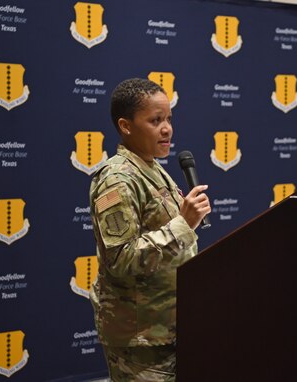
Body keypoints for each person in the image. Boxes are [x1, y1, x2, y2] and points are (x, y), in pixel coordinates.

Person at [89, 78, 211, 381]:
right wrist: (184, 224)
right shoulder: (117, 179)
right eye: (155, 120)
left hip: (169, 328)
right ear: (126, 126)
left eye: (168, 118)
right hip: (140, 340)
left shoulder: (152, 168)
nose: (167, 128)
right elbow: (120, 260)